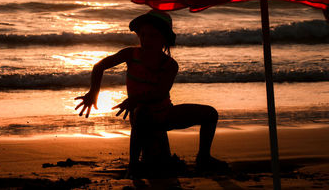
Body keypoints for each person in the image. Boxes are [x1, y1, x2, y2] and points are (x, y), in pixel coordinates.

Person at [75, 10, 228, 177]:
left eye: (153, 36)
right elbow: (99, 66)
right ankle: (133, 166)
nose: (146, 40)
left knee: (210, 114)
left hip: (164, 115)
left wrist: (134, 99)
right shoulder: (130, 54)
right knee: (142, 115)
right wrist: (93, 92)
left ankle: (203, 158)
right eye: (143, 35)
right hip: (142, 119)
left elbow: (160, 93)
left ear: (165, 39)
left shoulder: (170, 65)